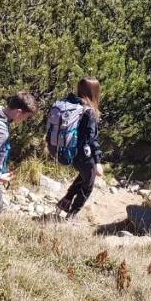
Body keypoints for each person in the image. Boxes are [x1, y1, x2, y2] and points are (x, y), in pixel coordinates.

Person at [55, 77, 105, 218]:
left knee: (84, 176)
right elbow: (92, 139)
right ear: (94, 92)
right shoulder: (89, 111)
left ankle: (64, 202)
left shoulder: (71, 105)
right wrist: (97, 162)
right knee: (88, 186)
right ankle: (71, 216)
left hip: (69, 150)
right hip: (83, 154)